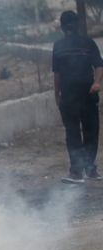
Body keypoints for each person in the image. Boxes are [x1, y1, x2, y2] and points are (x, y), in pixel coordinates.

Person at [53, 10, 103, 184]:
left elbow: (57, 75)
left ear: (61, 27)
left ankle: (80, 172)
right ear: (77, 25)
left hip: (75, 95)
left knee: (74, 132)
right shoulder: (86, 43)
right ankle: (86, 170)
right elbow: (98, 66)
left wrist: (57, 95)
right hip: (83, 94)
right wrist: (96, 82)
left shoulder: (60, 46)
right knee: (89, 131)